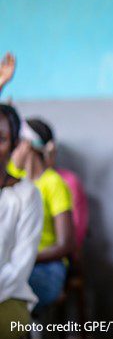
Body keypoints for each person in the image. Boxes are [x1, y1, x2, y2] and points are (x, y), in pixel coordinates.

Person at [11, 118, 75, 311]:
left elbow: (66, 244)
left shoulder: (53, 184)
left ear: (27, 145)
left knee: (10, 290)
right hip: (17, 265)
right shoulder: (13, 180)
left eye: (15, 143)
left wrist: (25, 258)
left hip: (47, 268)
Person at [0, 104, 43, 339]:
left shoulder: (26, 195)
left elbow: (19, 267)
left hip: (8, 294)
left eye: (1, 139)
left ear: (15, 145)